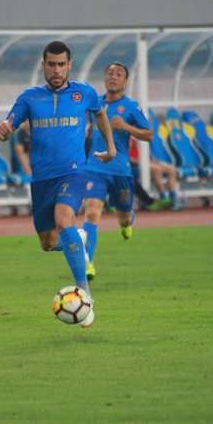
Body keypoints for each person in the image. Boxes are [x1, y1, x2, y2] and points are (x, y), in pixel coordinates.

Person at [0, 41, 116, 328]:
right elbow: (10, 123)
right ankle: (78, 239)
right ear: (43, 65)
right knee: (49, 243)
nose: (57, 69)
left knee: (65, 219)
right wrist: (4, 130)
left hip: (74, 172)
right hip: (41, 180)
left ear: (69, 65)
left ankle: (84, 294)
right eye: (52, 64)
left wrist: (110, 147)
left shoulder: (84, 93)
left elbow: (100, 114)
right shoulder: (29, 98)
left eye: (62, 64)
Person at [81, 62, 152, 281]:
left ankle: (127, 219)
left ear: (125, 80)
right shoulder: (95, 104)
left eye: (118, 74)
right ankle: (87, 263)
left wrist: (126, 127)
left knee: (122, 217)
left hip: (120, 171)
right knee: (92, 212)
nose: (113, 77)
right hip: (94, 167)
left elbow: (149, 135)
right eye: (109, 73)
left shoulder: (130, 106)